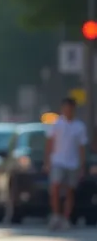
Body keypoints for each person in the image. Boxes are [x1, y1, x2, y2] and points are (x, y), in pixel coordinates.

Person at [45, 96, 87, 230]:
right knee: (55, 187)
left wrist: (82, 166)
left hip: (72, 163)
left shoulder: (79, 127)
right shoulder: (57, 124)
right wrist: (47, 161)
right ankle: (56, 215)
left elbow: (81, 148)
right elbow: (50, 143)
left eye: (70, 109)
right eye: (65, 108)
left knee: (69, 191)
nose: (67, 111)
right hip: (58, 161)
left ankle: (65, 218)